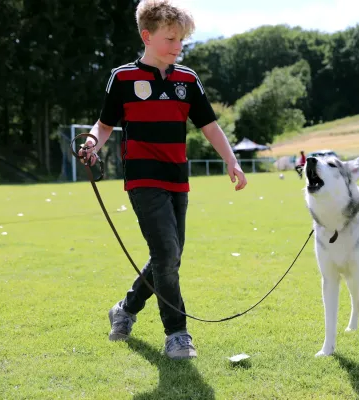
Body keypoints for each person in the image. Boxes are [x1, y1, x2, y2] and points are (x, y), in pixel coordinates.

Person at [78, 0, 247, 360]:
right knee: (167, 254)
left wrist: (231, 160)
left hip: (178, 180)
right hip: (142, 179)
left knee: (168, 256)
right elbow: (105, 124)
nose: (178, 46)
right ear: (147, 36)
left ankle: (125, 308)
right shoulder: (122, 78)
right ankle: (177, 334)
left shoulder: (188, 79)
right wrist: (92, 143)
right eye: (171, 39)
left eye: (181, 40)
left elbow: (210, 126)